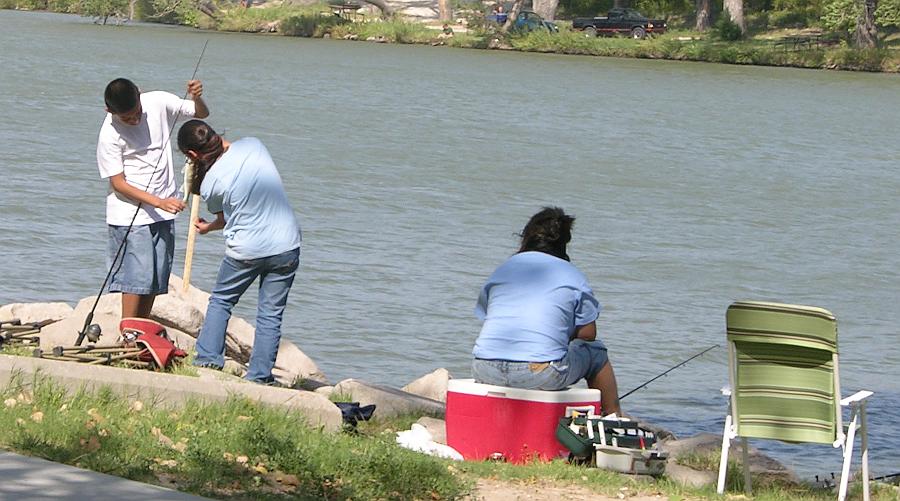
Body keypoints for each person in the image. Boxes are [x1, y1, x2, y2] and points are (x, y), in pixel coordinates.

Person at [176, 120, 302, 384]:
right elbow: (232, 150)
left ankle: (208, 360)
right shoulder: (254, 145)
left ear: (192, 155)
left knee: (221, 301)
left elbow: (224, 218)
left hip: (246, 250)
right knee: (270, 314)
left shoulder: (211, 183)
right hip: (286, 244)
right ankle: (259, 377)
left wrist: (208, 228)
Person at [471, 207, 621, 416]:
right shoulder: (573, 275)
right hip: (539, 373)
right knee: (596, 353)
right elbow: (588, 334)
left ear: (525, 238)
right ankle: (614, 417)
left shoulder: (503, 269)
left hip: (484, 368)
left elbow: (490, 315)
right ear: (564, 243)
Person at [97, 78, 210, 320]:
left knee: (155, 279)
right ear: (109, 111)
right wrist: (158, 201)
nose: (134, 120)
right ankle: (128, 335)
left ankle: (142, 331)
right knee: (135, 278)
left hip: (163, 211)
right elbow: (118, 184)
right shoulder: (109, 134)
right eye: (126, 118)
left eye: (137, 112)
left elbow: (201, 114)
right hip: (129, 215)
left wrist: (196, 96)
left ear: (140, 94)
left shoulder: (158, 101)